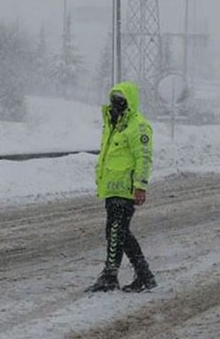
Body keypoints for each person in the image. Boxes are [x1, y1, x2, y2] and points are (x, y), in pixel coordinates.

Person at [85, 81, 157, 293]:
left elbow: (144, 158)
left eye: (121, 100)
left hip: (126, 188)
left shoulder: (138, 126)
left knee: (117, 231)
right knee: (118, 232)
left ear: (130, 101)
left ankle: (111, 275)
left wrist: (140, 186)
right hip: (112, 187)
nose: (116, 104)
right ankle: (144, 275)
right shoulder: (112, 124)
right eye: (113, 99)